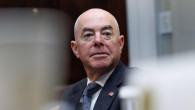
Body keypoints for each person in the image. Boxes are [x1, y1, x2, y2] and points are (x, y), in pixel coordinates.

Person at [60, 8, 136, 110]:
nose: (98, 40)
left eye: (107, 34)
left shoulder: (136, 83)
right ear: (75, 49)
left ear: (120, 43)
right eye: (88, 35)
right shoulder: (70, 93)